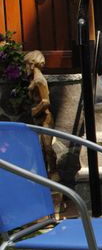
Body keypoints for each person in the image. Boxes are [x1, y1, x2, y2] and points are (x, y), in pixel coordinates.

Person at [24, 50, 58, 181]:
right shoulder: (34, 80)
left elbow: (46, 101)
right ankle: (43, 175)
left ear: (32, 65)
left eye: (26, 65)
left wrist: (35, 110)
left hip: (45, 118)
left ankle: (54, 173)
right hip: (38, 119)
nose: (26, 68)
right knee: (40, 149)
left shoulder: (39, 80)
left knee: (47, 148)